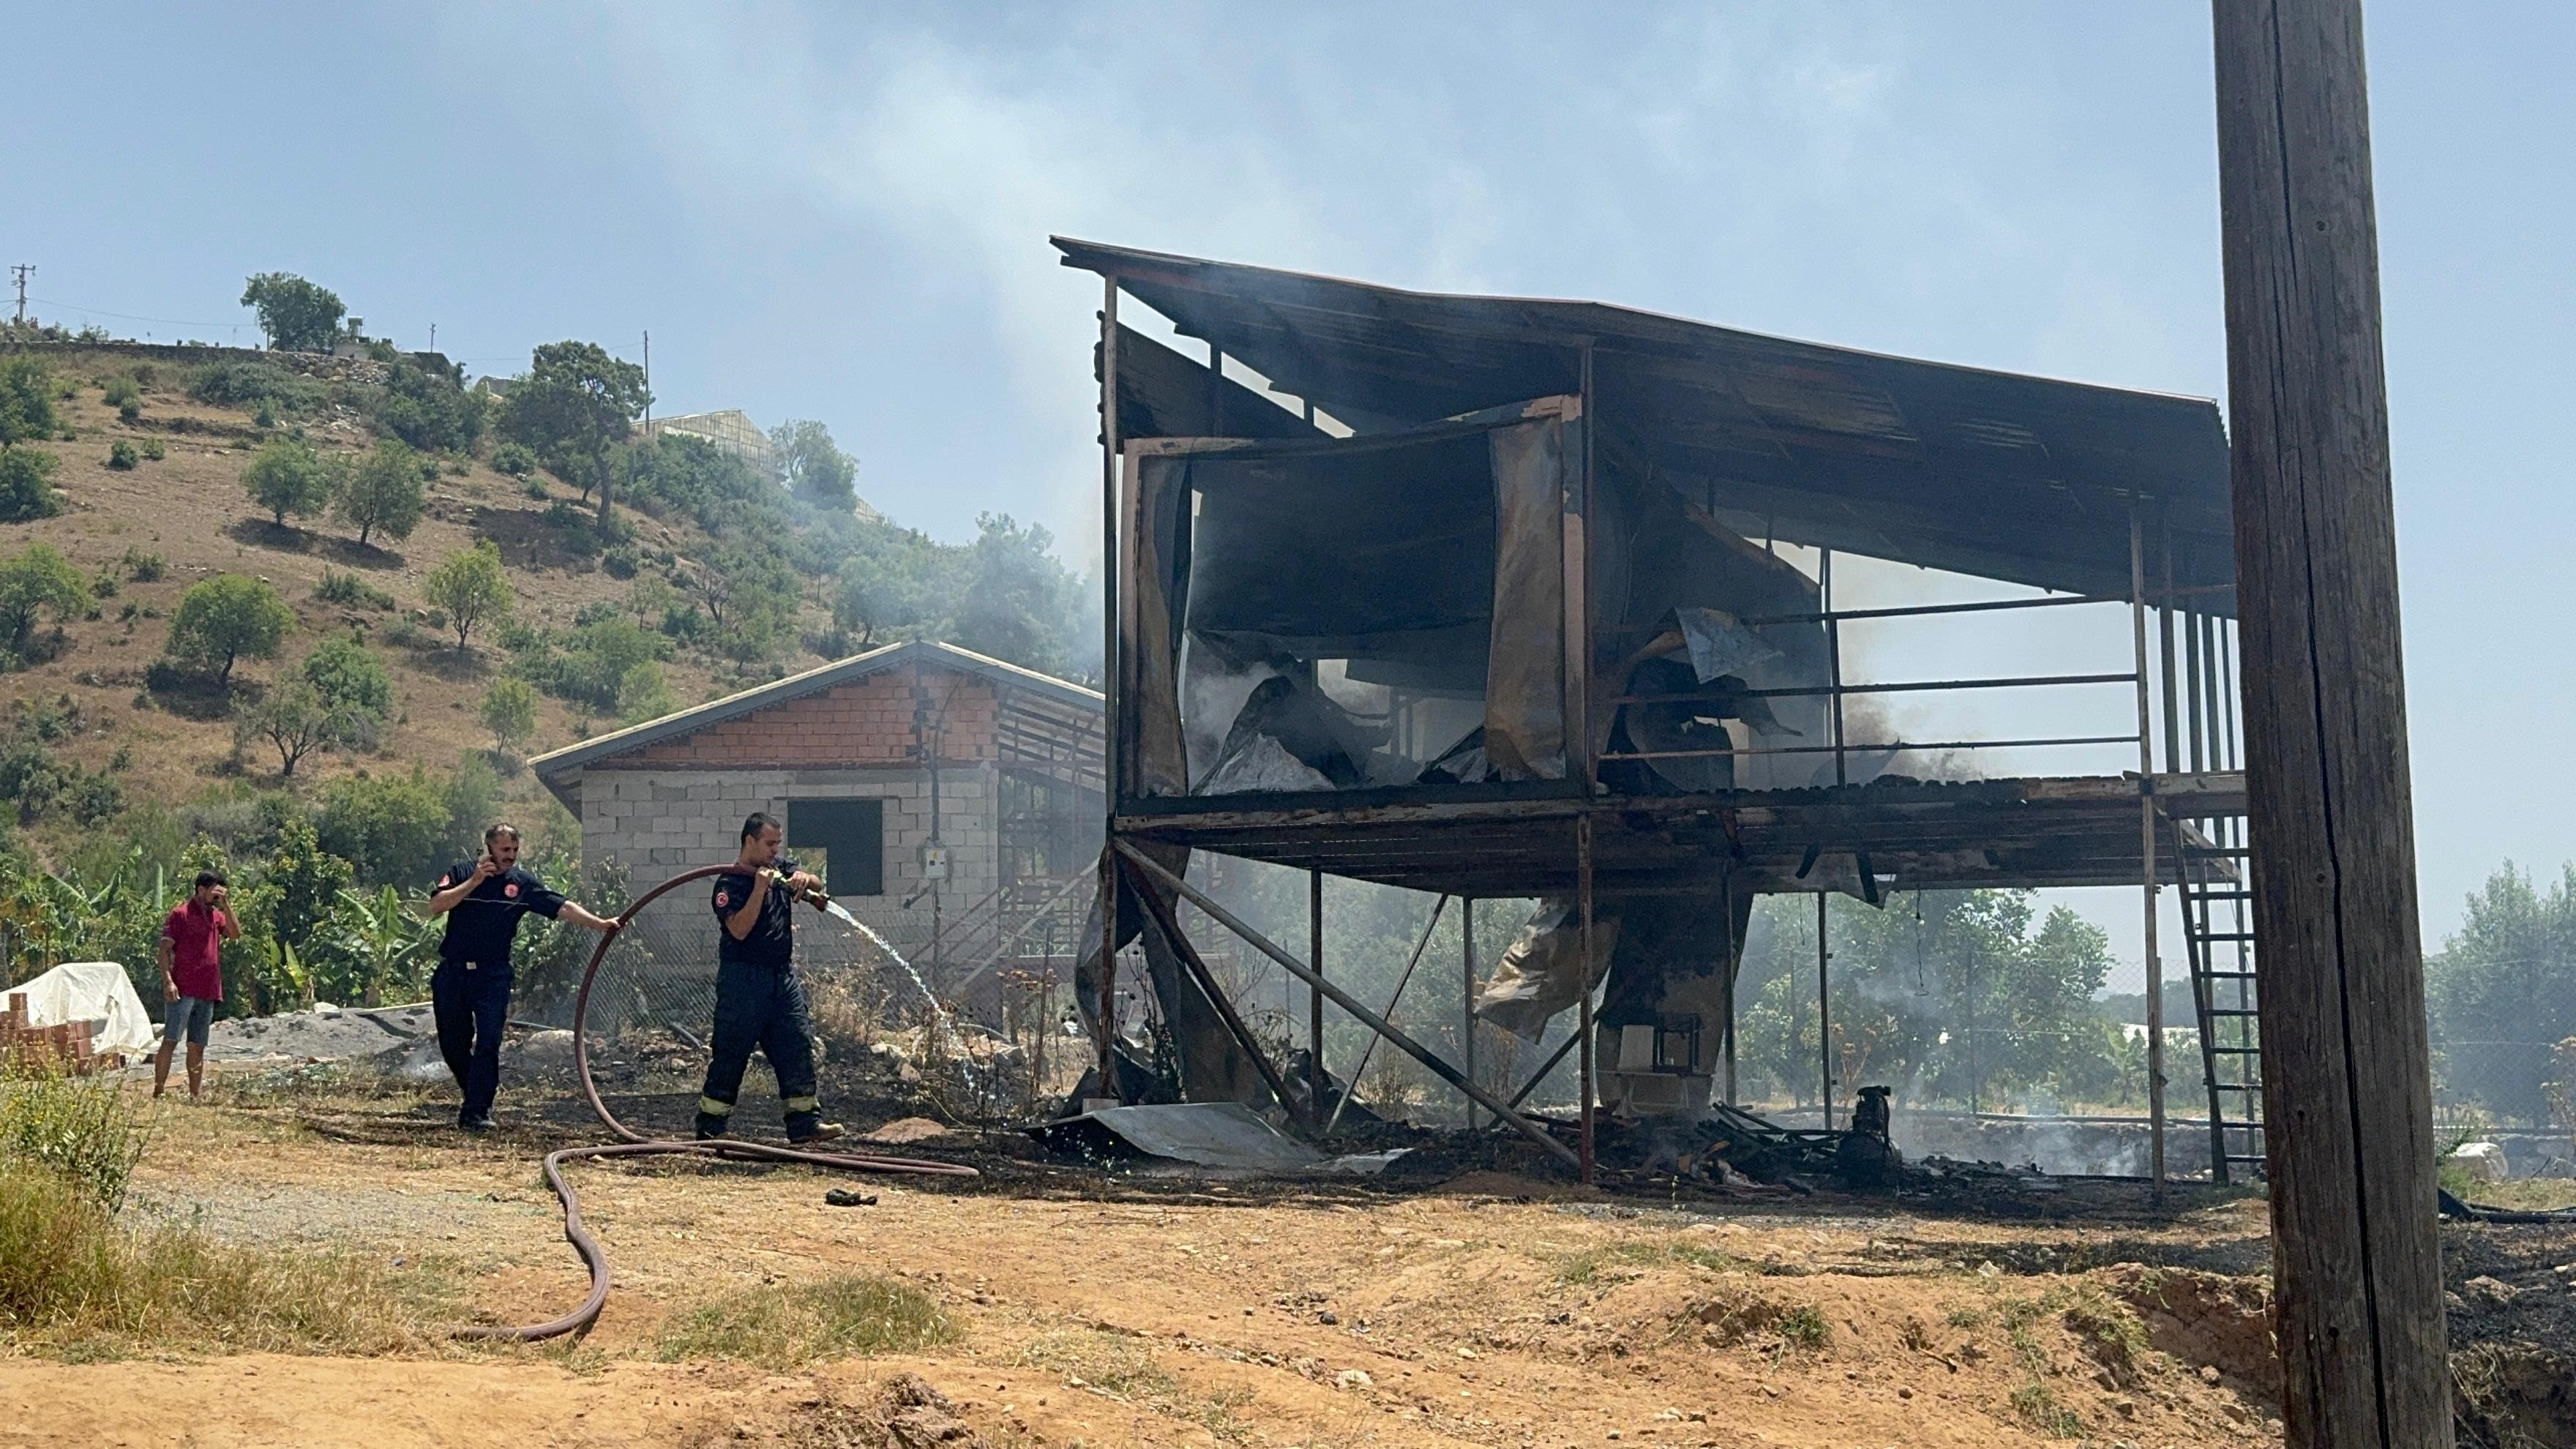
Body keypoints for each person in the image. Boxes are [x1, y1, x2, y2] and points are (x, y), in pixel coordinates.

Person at [425, 823, 619, 1131]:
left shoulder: (521, 884)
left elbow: (561, 906)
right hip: (454, 972)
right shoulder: (462, 872)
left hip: (493, 975)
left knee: (489, 1040)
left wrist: (598, 924)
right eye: (504, 850)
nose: (510, 857)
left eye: (514, 851)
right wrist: (475, 881)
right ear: (488, 847)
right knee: (453, 1043)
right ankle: (473, 1093)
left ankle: (477, 1111)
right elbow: (437, 905)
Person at [697, 812, 845, 1145]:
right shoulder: (729, 883)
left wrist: (806, 878)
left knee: (796, 1044)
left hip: (781, 977)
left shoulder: (781, 868)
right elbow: (739, 929)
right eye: (769, 843)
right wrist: (759, 889)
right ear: (750, 840)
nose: (775, 850)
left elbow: (818, 886)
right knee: (732, 1052)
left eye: (778, 843)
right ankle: (711, 1128)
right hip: (743, 981)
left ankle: (805, 1122)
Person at [154, 870, 242, 1099]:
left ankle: (195, 1094)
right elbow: (164, 951)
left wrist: (226, 904)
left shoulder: (215, 916)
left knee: (197, 1045)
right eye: (214, 891)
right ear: (201, 889)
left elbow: (235, 933)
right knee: (171, 1039)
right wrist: (168, 982)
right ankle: (159, 1090)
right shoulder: (180, 914)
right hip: (183, 989)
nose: (216, 896)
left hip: (208, 990)